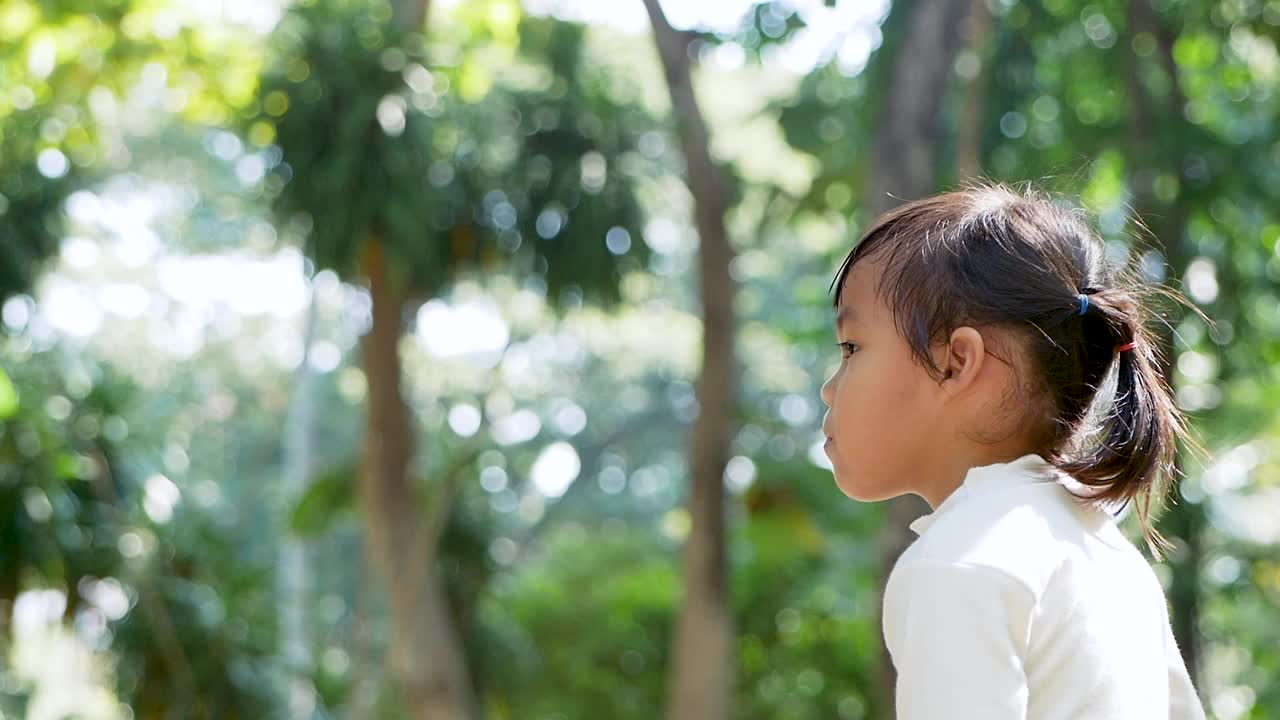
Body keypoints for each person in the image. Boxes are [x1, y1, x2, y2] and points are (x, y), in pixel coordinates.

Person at [819, 183, 1208, 718]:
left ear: (956, 362)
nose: (829, 387)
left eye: (851, 348)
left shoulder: (960, 563)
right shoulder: (1109, 555)